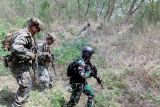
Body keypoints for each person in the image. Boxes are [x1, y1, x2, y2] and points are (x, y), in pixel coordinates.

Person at [10, 18, 44, 107]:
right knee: (26, 84)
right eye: (38, 29)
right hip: (18, 64)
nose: (38, 31)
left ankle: (20, 100)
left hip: (22, 63)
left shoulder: (29, 35)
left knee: (27, 84)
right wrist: (31, 55)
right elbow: (16, 47)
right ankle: (16, 104)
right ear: (33, 26)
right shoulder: (24, 34)